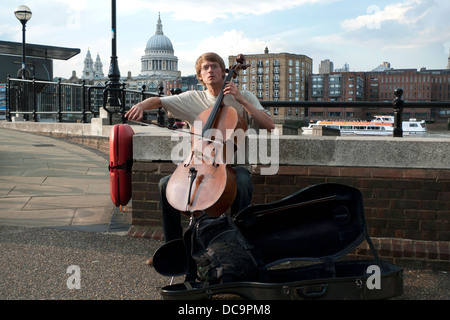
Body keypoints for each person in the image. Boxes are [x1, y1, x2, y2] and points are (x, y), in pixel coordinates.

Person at [125, 52, 275, 266]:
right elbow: (158, 100)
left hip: (235, 166)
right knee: (164, 185)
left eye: (214, 66)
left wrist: (240, 99)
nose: (210, 70)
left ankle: (243, 249)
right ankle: (175, 250)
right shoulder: (193, 98)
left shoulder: (245, 96)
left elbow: (269, 125)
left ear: (224, 72)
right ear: (200, 77)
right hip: (200, 166)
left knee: (241, 182)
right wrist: (141, 106)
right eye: (205, 68)